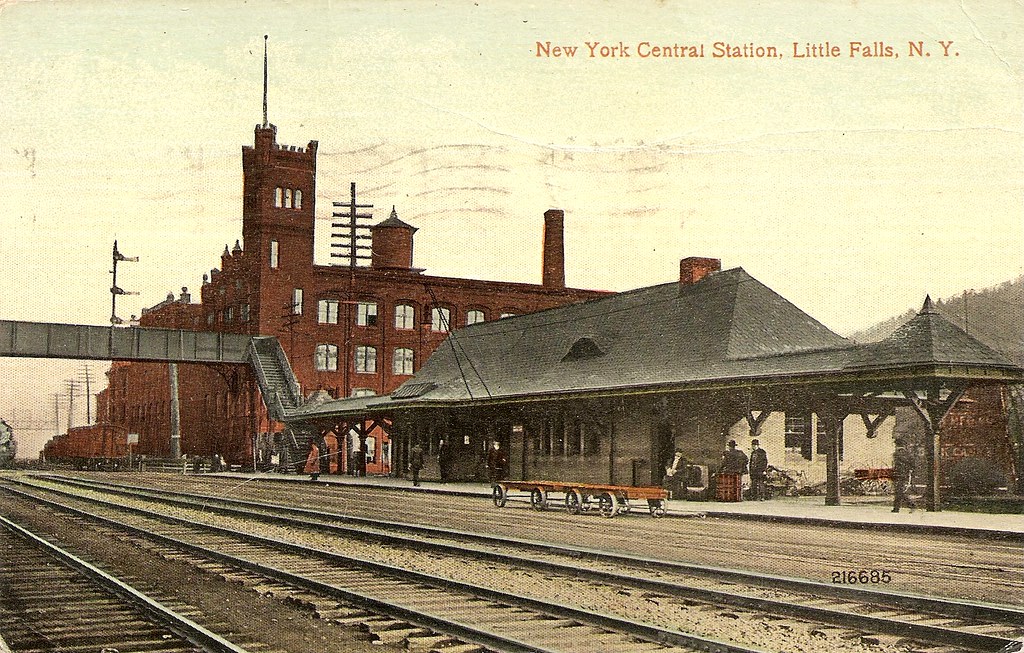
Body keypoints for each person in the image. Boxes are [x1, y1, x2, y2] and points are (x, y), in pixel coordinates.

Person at [892, 438, 916, 512]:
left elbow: (896, 465)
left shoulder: (897, 453)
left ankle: (910, 504)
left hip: (899, 474)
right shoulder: (908, 453)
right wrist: (910, 470)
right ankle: (896, 508)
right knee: (899, 491)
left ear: (897, 445)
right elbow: (912, 464)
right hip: (904, 474)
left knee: (899, 491)